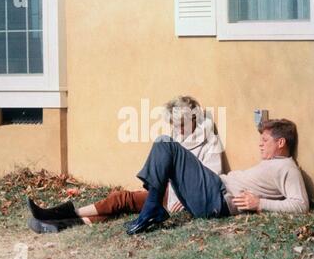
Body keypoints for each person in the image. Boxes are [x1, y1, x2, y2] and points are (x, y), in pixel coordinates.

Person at [27, 96, 224, 233]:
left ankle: (60, 219)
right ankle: (61, 219)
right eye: (174, 125)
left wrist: (184, 197)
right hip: (165, 193)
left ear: (193, 119)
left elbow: (211, 179)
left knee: (126, 201)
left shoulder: (210, 141)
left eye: (181, 124)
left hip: (184, 199)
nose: (178, 130)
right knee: (121, 199)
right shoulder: (176, 136)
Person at [124, 118, 309, 235]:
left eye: (265, 141)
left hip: (217, 199)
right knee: (165, 148)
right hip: (214, 190)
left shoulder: (287, 168)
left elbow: (301, 204)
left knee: (165, 144)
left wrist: (260, 204)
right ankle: (152, 207)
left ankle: (151, 207)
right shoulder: (272, 163)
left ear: (281, 142)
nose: (260, 145)